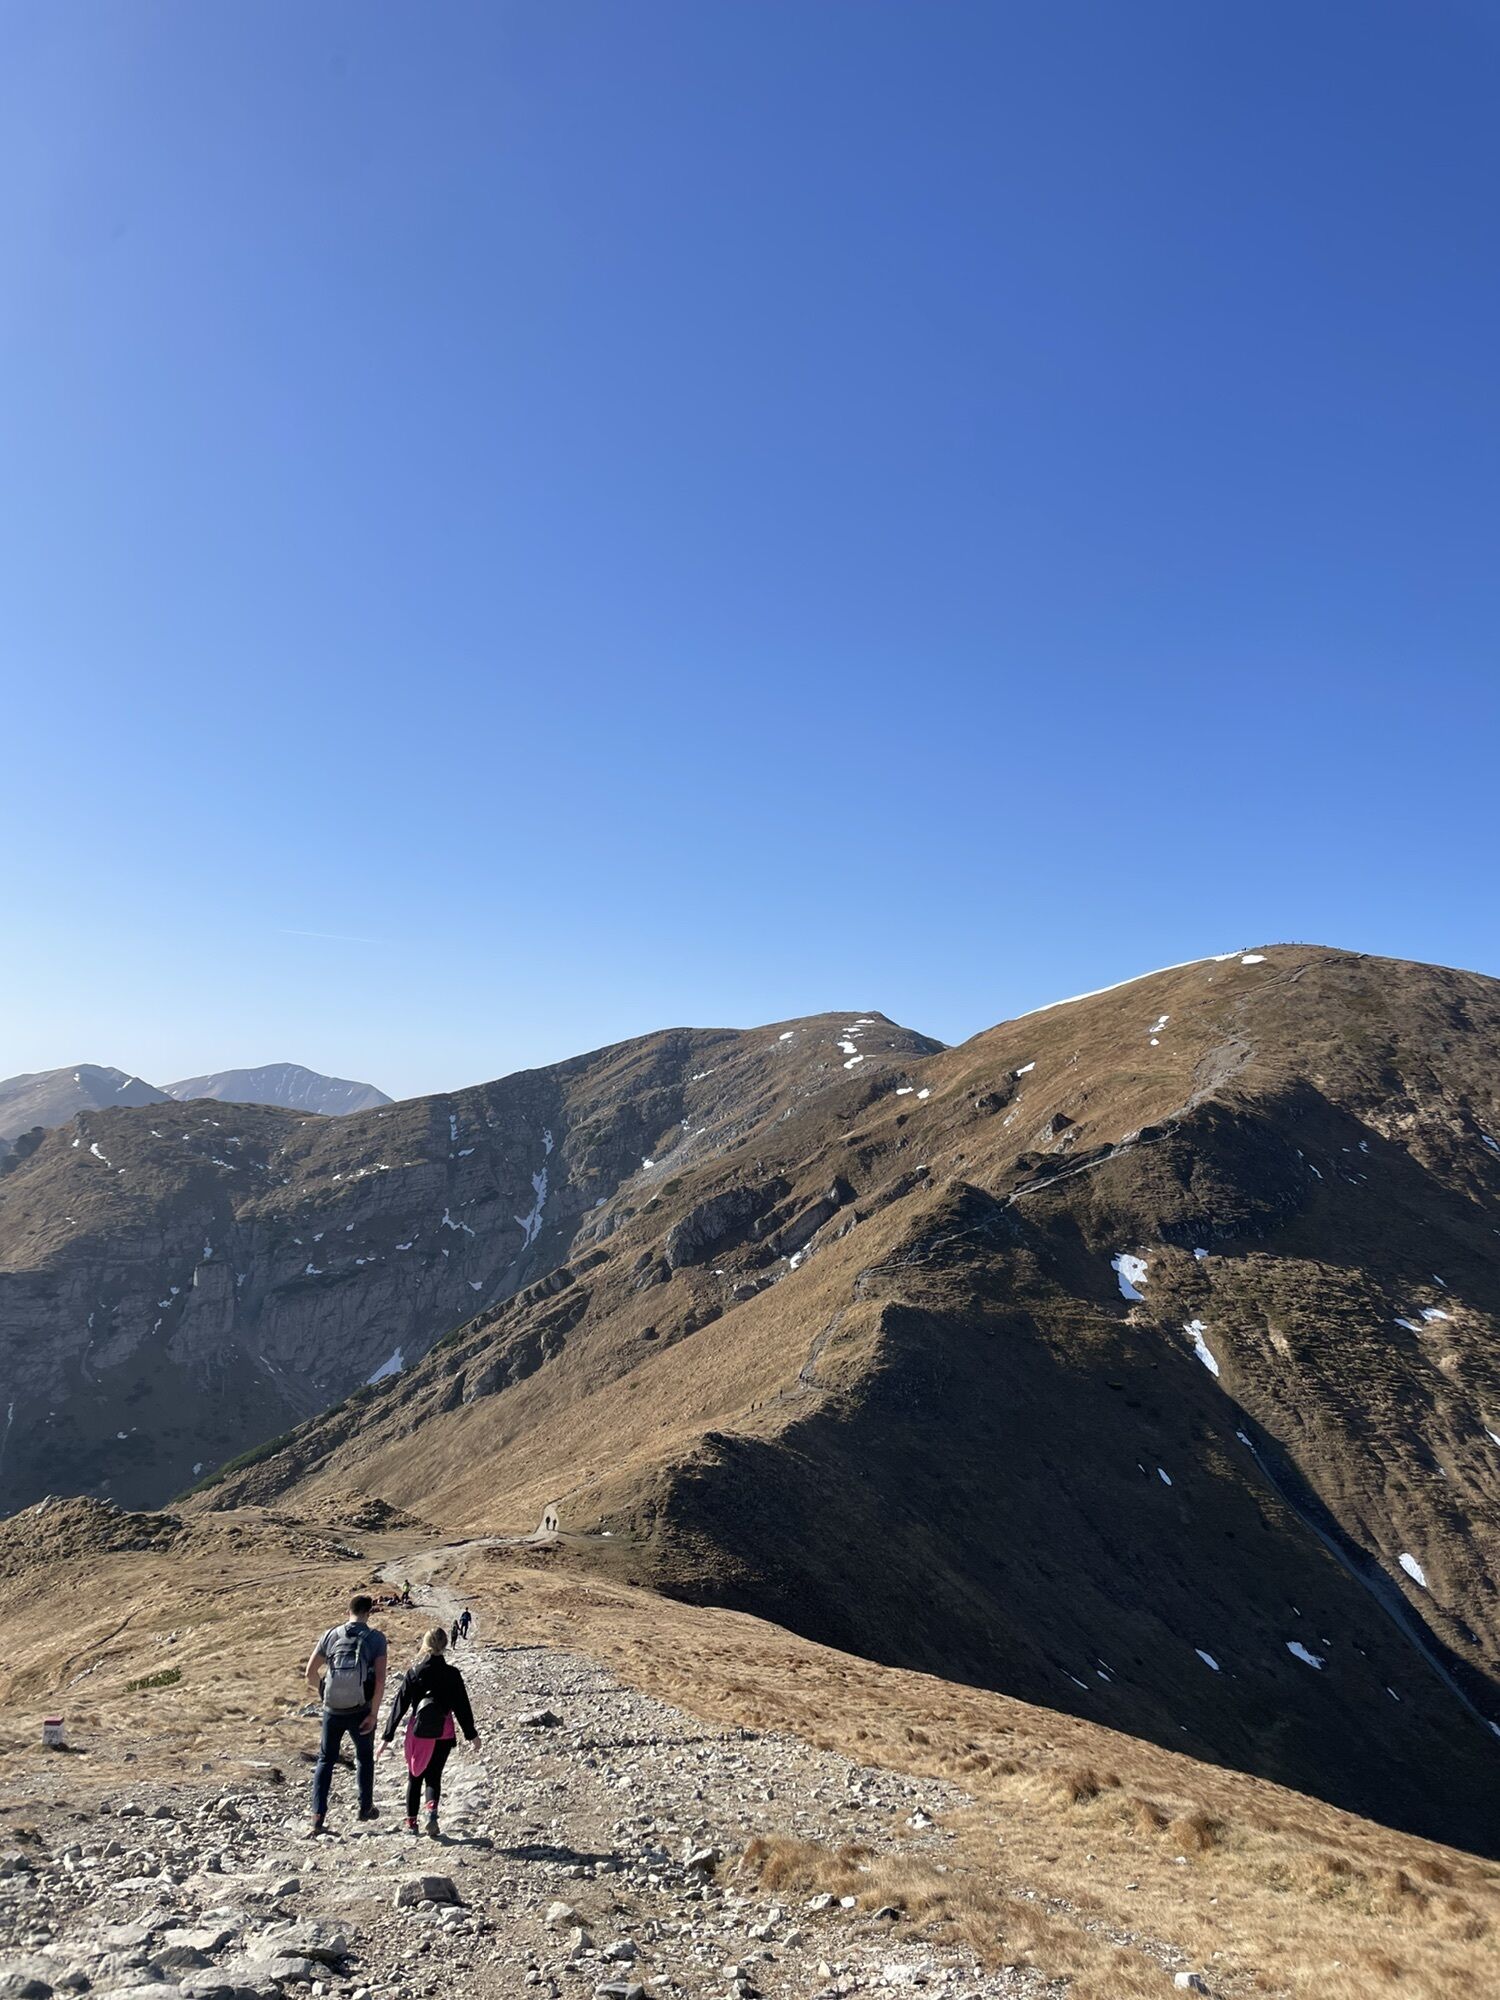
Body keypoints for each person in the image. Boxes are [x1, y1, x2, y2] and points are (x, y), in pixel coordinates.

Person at [380, 1626, 479, 1837]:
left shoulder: (414, 1673)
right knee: (434, 1776)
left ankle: (411, 1823)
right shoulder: (452, 1674)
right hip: (444, 1731)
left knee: (415, 1777)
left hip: (419, 1733)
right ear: (445, 1645)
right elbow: (462, 1706)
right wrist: (472, 1735)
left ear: (425, 1644)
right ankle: (431, 1811)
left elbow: (400, 1705)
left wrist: (387, 1737)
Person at [305, 1592, 388, 1837]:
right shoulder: (376, 1639)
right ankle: (365, 1808)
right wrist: (373, 1714)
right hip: (360, 1708)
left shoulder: (330, 1635)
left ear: (348, 1611)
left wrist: (325, 1693)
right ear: (369, 1613)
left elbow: (310, 1673)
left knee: (325, 1760)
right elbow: (380, 1681)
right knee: (364, 1757)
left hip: (332, 1710)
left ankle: (317, 1817)